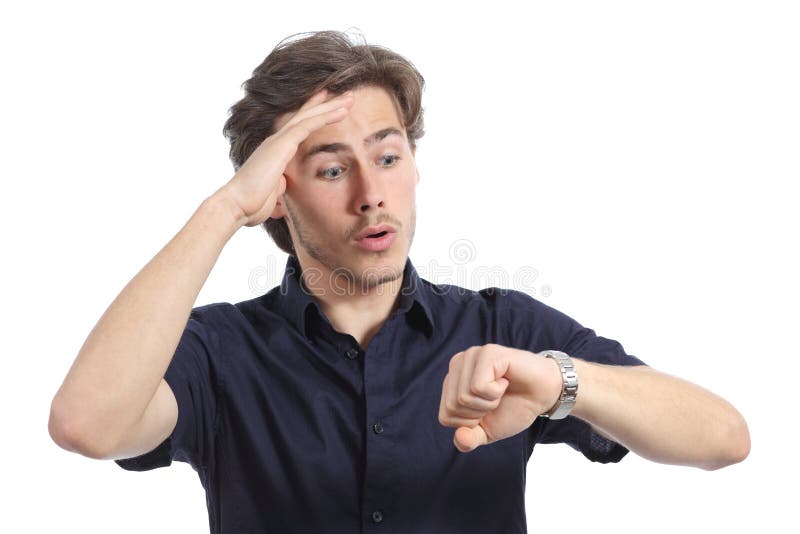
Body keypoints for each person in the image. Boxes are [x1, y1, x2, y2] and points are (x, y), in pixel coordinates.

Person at [48, 30, 750, 533]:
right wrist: (225, 207)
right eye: (330, 168)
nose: (370, 193)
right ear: (279, 193)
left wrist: (560, 381)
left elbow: (723, 438)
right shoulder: (219, 351)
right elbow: (86, 423)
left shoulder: (502, 329)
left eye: (387, 157)